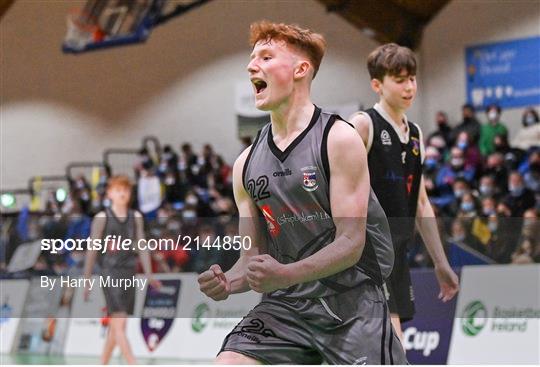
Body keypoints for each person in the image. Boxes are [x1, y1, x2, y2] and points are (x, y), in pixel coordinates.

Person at [198, 21, 406, 364]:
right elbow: (252, 259)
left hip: (350, 304)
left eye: (266, 56)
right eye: (252, 58)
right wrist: (228, 282)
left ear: (301, 69)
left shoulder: (339, 139)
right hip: (285, 307)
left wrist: (285, 274)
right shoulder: (245, 164)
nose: (252, 66)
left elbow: (351, 243)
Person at [348, 43, 459, 340]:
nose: (409, 87)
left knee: (385, 351)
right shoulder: (363, 125)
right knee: (392, 347)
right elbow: (336, 190)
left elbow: (421, 203)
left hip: (397, 255)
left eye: (412, 78)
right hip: (365, 258)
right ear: (377, 85)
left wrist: (440, 262)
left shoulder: (416, 134)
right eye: (399, 80)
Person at [83, 175, 160, 365]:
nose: (122, 193)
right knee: (120, 322)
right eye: (118, 190)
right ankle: (132, 362)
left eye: (126, 190)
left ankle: (103, 363)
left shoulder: (136, 217)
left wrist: (149, 274)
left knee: (117, 325)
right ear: (109, 193)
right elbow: (92, 251)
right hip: (110, 273)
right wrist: (86, 280)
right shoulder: (102, 218)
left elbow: (142, 246)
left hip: (129, 272)